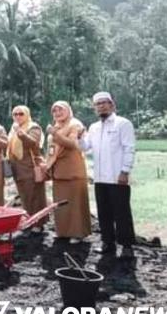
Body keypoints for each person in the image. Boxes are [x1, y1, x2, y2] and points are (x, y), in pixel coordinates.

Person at [80, 92, 136, 258]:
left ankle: (127, 246)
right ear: (94, 108)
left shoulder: (123, 124)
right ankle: (107, 243)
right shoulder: (94, 127)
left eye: (105, 103)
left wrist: (125, 171)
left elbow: (129, 148)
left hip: (117, 176)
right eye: (98, 104)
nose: (101, 106)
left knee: (121, 212)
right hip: (100, 177)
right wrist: (79, 138)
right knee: (103, 211)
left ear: (112, 105)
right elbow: (85, 147)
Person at [46, 101, 91, 244]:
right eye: (55, 111)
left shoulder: (75, 124)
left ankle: (78, 233)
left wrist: (55, 134)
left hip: (73, 171)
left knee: (75, 203)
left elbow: (73, 144)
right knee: (61, 203)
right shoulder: (56, 126)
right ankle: (63, 231)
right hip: (59, 172)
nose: (58, 113)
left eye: (61, 110)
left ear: (68, 110)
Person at [7, 105, 47, 233]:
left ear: (27, 114)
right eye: (15, 114)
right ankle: (29, 221)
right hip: (17, 169)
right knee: (25, 197)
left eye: (21, 114)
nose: (18, 116)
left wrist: (22, 134)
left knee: (35, 196)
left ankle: (38, 223)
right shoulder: (13, 128)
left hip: (30, 167)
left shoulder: (33, 127)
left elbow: (34, 143)